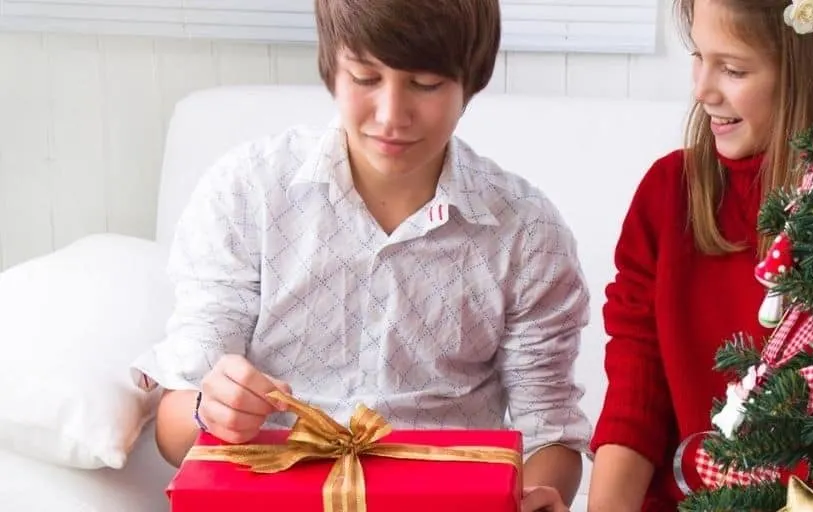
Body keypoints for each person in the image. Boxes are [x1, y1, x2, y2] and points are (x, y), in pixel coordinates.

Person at [129, 1, 590, 510]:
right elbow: (173, 429)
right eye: (365, 77)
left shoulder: (526, 231)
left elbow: (550, 433)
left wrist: (536, 496)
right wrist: (210, 409)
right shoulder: (246, 193)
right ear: (331, 67)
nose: (391, 116)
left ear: (471, 81)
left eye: (426, 84)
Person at [585, 0, 813, 510]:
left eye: (732, 68)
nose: (702, 89)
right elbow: (636, 394)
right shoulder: (669, 194)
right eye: (698, 56)